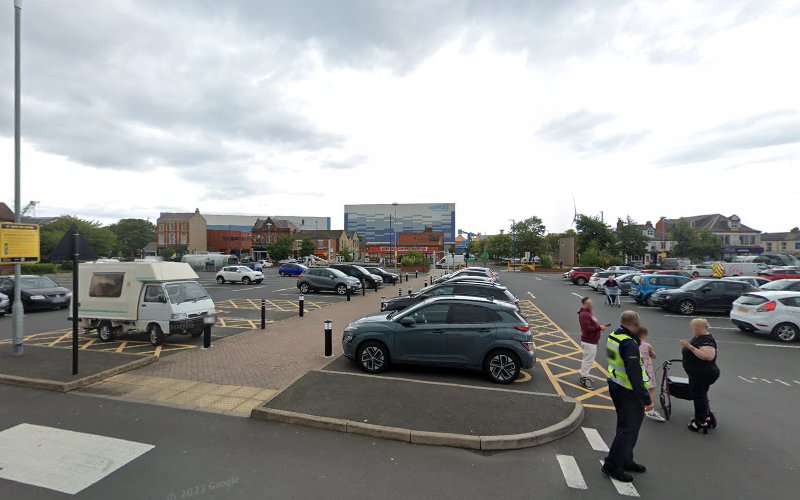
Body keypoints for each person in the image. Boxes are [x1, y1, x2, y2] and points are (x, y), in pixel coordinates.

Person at [603, 310, 652, 483]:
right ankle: (612, 465)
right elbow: (634, 374)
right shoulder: (629, 343)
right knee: (628, 430)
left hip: (616, 385)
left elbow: (613, 360)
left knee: (626, 427)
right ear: (635, 324)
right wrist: (645, 397)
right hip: (628, 391)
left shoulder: (614, 336)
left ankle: (626, 459)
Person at [680, 318, 720, 433]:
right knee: (700, 395)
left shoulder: (706, 340)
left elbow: (708, 356)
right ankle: (706, 415)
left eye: (694, 327)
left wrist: (689, 347)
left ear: (699, 327)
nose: (692, 330)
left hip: (703, 374)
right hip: (698, 373)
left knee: (699, 396)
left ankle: (700, 421)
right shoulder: (700, 337)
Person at [578, 297, 611, 389]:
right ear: (584, 304)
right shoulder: (584, 314)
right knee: (588, 361)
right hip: (589, 342)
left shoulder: (588, 313)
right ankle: (584, 379)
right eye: (589, 303)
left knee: (589, 360)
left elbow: (592, 325)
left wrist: (600, 327)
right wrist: (599, 328)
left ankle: (585, 376)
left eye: (591, 303)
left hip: (592, 341)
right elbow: (587, 329)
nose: (591, 305)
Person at [638, 327, 666, 422]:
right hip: (647, 370)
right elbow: (654, 355)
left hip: (636, 369)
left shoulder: (631, 344)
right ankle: (649, 408)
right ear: (644, 335)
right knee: (651, 388)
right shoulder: (647, 345)